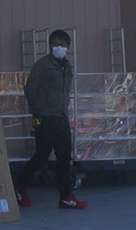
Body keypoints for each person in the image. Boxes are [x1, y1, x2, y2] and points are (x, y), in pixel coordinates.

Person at [17, 29, 86, 210]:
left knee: (64, 156)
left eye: (62, 45)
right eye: (55, 44)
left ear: (68, 47)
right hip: (44, 117)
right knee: (42, 154)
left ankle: (65, 196)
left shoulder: (67, 67)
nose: (59, 47)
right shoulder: (42, 66)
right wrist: (38, 110)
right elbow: (30, 89)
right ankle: (20, 187)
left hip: (61, 117)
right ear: (50, 46)